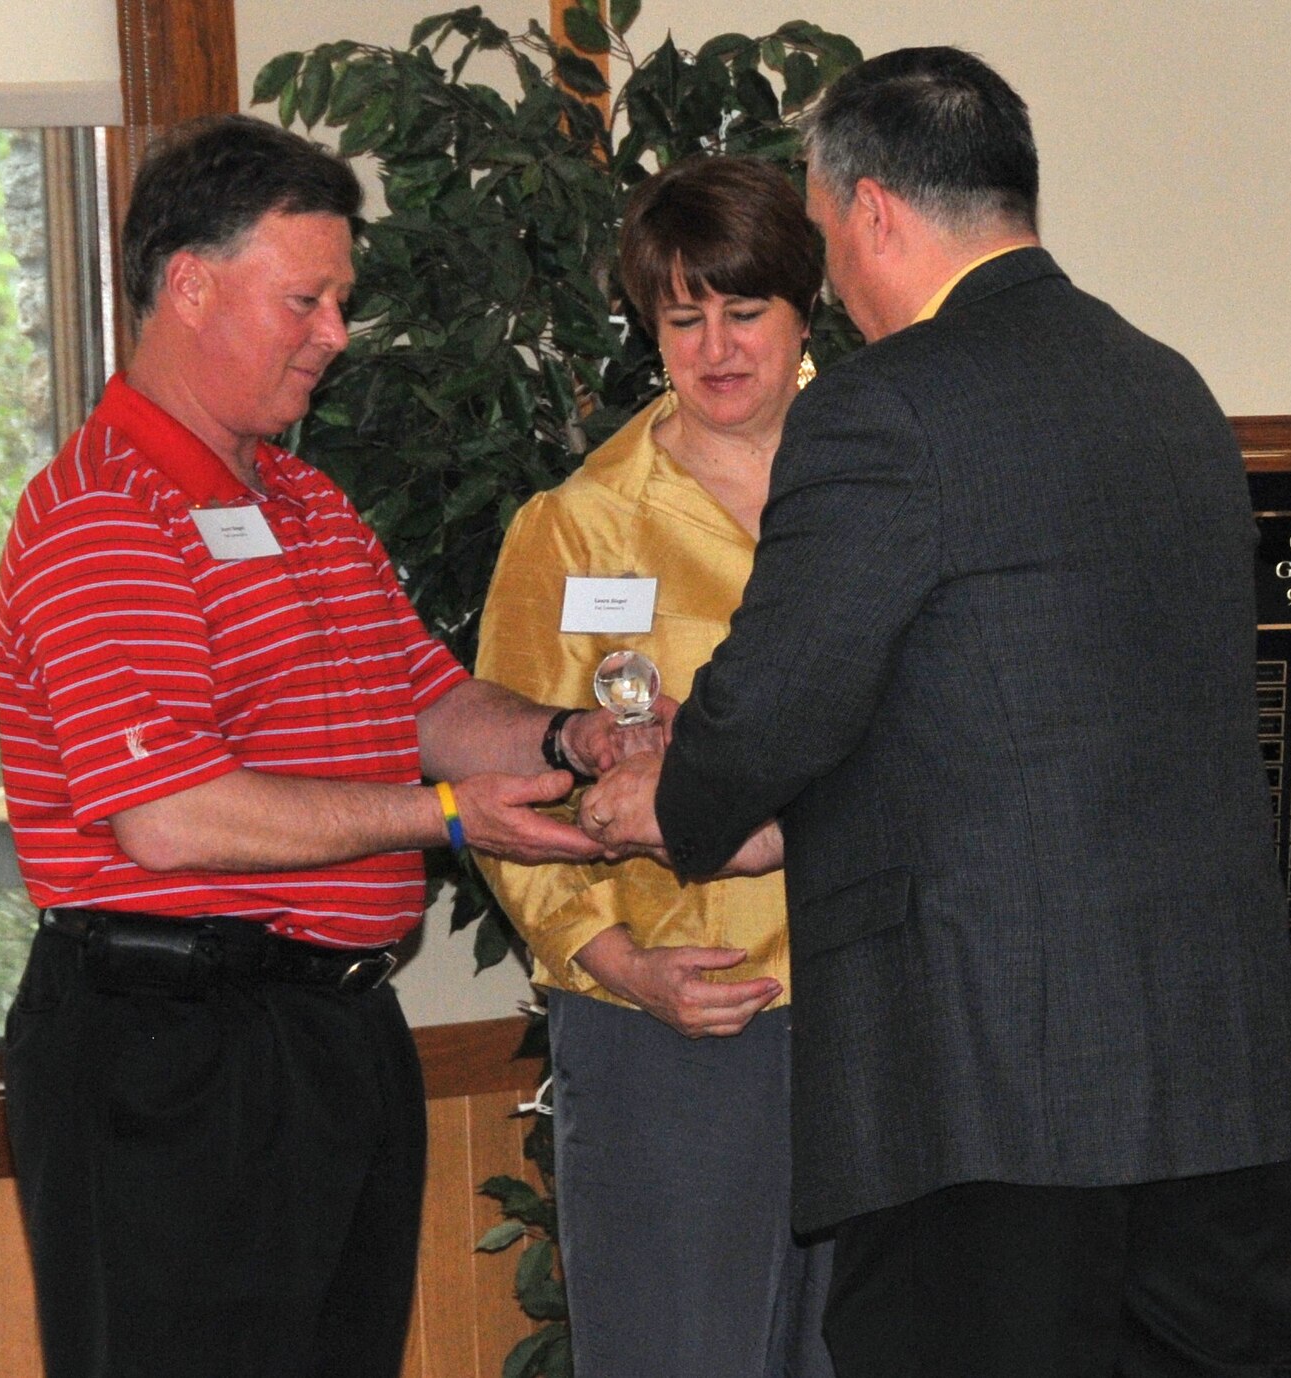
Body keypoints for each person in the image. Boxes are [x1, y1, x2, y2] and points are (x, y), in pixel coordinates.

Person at [579, 47, 1291, 1378]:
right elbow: (1015, 725)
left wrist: (684, 802)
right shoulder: (1171, 391)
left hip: (988, 1087)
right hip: (1216, 1081)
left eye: (817, 231)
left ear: (871, 213)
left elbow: (780, 697)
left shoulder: (887, 406)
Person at [0, 114, 637, 1378]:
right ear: (188, 283)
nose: (336, 333)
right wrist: (446, 817)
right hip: (166, 1055)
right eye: (308, 298)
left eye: (341, 298)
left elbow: (429, 703)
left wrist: (575, 739)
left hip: (331, 1039)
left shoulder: (305, 500)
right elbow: (171, 815)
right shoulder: (103, 512)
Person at [473, 155, 832, 1378]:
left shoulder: (889, 483)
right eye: (684, 318)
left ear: (803, 311)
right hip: (667, 1029)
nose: (718, 348)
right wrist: (614, 962)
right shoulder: (575, 526)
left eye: (746, 312)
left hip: (878, 1016)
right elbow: (511, 781)